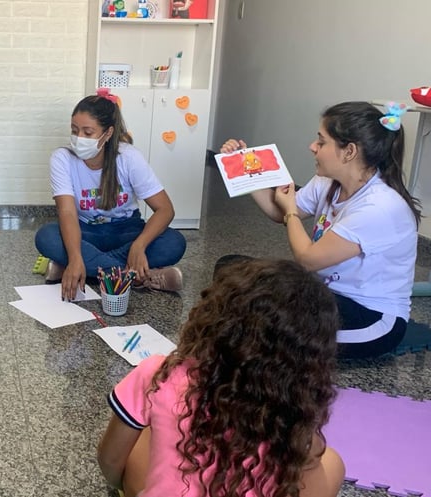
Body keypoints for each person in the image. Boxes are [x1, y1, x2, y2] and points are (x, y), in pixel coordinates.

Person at [97, 258, 345, 497]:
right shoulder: (294, 416)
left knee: (149, 432)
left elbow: (110, 462)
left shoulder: (159, 374)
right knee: (331, 463)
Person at [220, 101, 421, 359]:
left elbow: (308, 259)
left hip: (371, 318)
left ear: (349, 151)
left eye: (321, 142)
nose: (312, 147)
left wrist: (291, 210)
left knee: (264, 330)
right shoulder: (327, 181)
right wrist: (242, 168)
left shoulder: (380, 207)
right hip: (323, 295)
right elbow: (277, 212)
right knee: (231, 268)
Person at [34, 91, 187, 301]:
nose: (79, 139)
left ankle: (80, 269)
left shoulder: (128, 157)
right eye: (74, 130)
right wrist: (77, 254)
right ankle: (139, 276)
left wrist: (139, 245)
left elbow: (165, 209)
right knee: (47, 236)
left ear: (107, 133)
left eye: (88, 132)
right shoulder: (62, 159)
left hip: (126, 232)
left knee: (174, 242)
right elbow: (67, 212)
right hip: (85, 233)